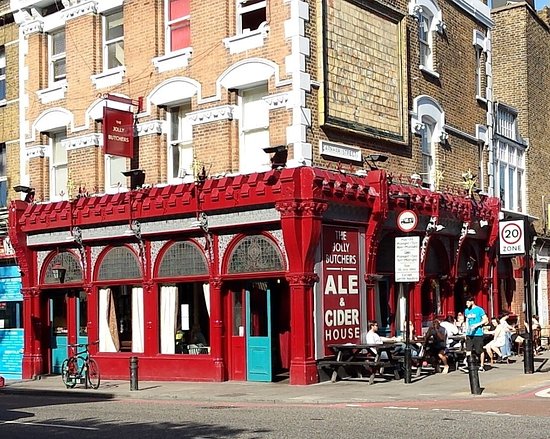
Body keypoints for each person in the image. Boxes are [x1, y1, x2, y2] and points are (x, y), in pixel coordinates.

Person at [463, 295, 488, 371]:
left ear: (472, 302)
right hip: (469, 334)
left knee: (479, 350)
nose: (466, 304)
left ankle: (481, 366)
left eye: (467, 302)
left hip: (478, 333)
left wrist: (477, 325)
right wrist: (466, 331)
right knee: (468, 349)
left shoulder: (479, 310)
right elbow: (467, 321)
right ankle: (469, 365)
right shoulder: (466, 310)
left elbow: (485, 320)